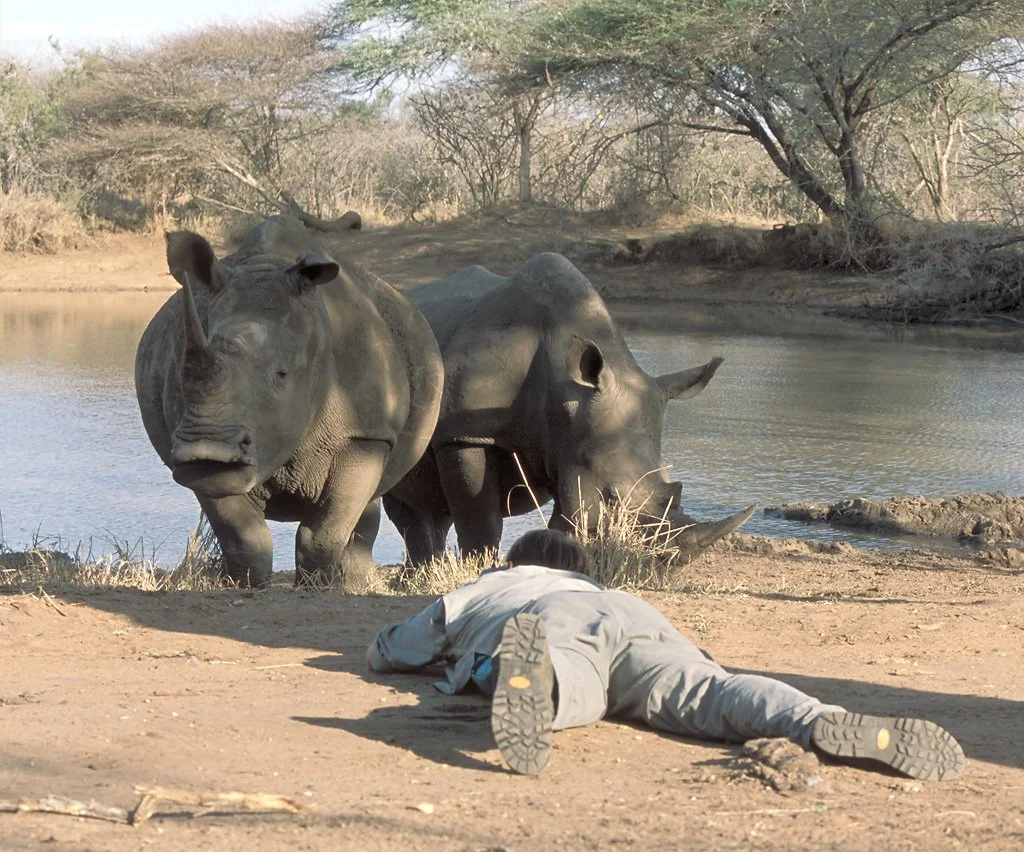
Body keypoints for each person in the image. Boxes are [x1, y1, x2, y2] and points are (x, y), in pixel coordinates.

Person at [366, 529, 965, 779]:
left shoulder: (497, 584)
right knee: (713, 689)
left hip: (557, 624)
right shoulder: (600, 587)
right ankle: (820, 721)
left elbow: (395, 650)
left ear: (513, 562)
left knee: (568, 672)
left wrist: (389, 645)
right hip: (643, 620)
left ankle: (537, 684)